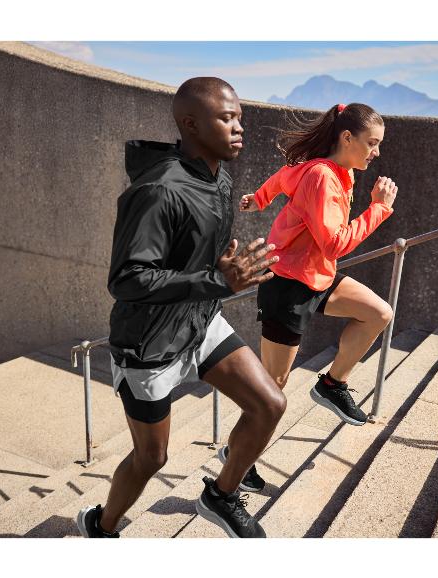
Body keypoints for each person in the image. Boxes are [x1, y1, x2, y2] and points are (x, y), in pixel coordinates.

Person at [76, 77, 286, 539]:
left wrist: (219, 270)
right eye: (226, 118)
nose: (238, 128)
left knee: (269, 403)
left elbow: (194, 256)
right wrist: (216, 279)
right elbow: (127, 279)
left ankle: (220, 495)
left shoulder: (220, 179)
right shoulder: (157, 191)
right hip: (149, 345)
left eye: (240, 118)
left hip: (200, 320)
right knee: (153, 458)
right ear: (190, 124)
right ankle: (102, 526)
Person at [229, 103, 398, 492]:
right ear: (347, 138)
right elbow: (335, 243)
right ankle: (235, 460)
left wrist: (261, 197)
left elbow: (284, 176)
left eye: (379, 145)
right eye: (372, 144)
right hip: (287, 285)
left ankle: (332, 384)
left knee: (377, 313)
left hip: (317, 277)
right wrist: (379, 209)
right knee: (272, 389)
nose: (376, 153)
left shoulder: (337, 170)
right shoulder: (323, 176)